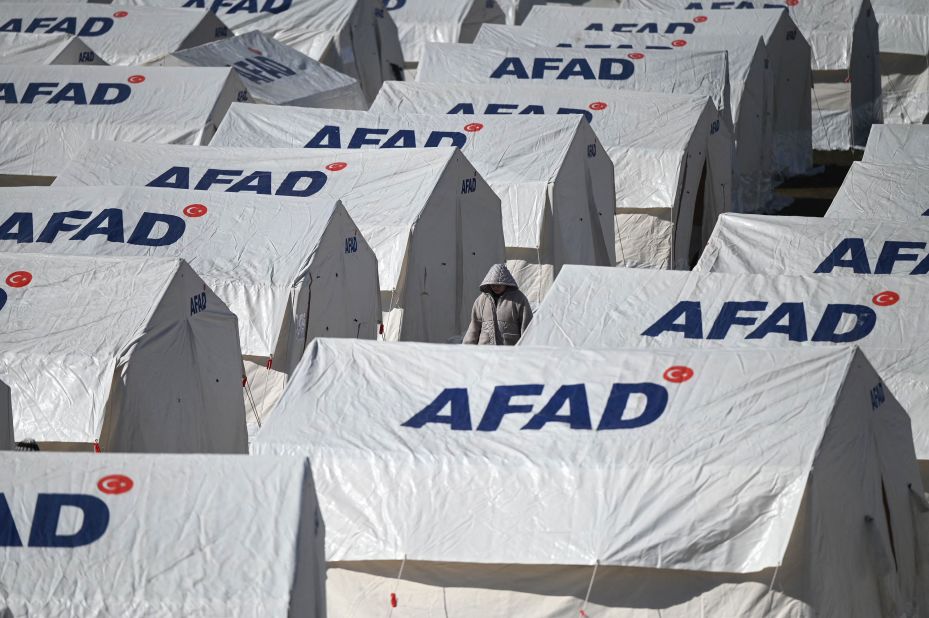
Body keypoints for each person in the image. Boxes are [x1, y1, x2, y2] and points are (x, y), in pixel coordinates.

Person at [463, 264, 533, 345]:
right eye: (493, 285)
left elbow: (527, 326)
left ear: (506, 283)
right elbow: (474, 327)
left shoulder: (519, 299)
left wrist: (527, 349)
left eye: (499, 285)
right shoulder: (481, 300)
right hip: (485, 352)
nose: (496, 287)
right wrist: (466, 347)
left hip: (509, 351)